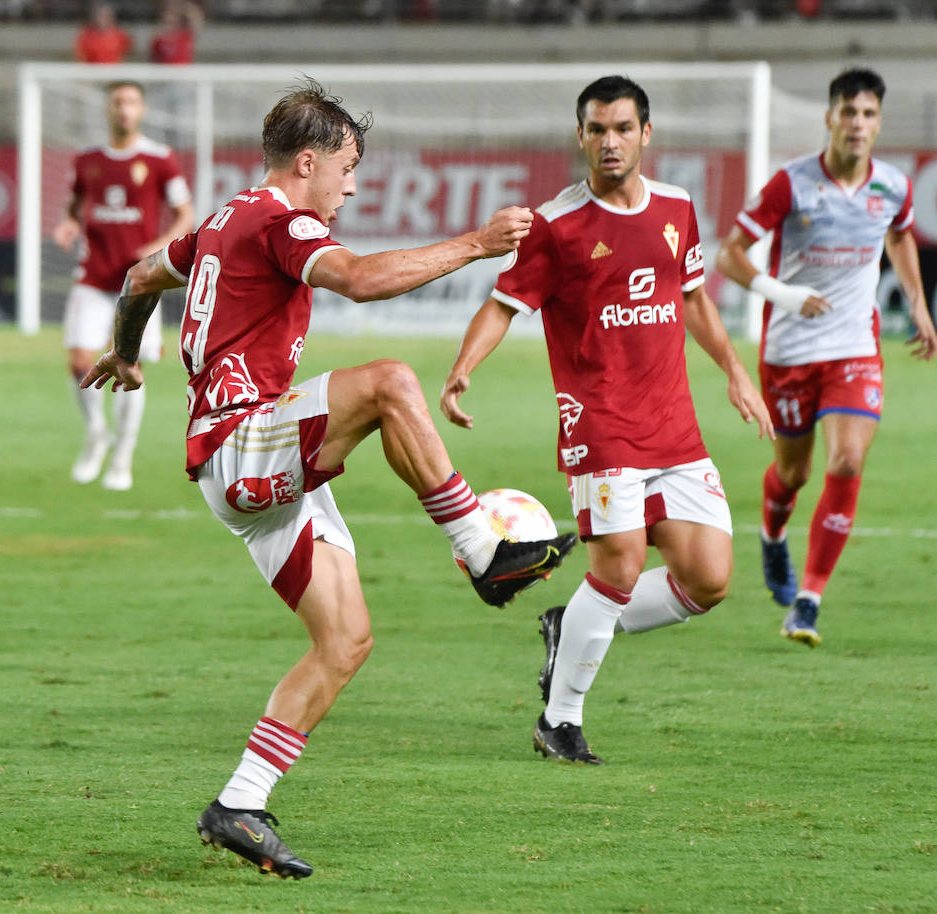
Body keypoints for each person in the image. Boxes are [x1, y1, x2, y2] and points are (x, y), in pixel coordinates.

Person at [82, 79, 577, 878]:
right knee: (389, 382)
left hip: (245, 467)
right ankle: (481, 552)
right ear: (306, 162)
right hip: (244, 442)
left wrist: (128, 352)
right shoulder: (281, 219)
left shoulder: (219, 221)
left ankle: (239, 804)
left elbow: (139, 278)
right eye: (347, 168)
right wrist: (477, 245)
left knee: (345, 642)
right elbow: (360, 279)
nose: (351, 186)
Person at [441, 75, 775, 765]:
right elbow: (504, 304)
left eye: (623, 128)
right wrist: (462, 368)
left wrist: (736, 371)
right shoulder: (556, 225)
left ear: (646, 134)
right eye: (597, 129)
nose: (610, 142)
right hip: (598, 420)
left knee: (708, 579)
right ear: (581, 136)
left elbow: (694, 299)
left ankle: (572, 623)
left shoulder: (678, 208)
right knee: (619, 565)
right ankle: (559, 721)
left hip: (673, 425)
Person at [715, 67, 936, 647]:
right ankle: (771, 532)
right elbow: (729, 255)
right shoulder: (792, 184)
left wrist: (917, 303)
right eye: (848, 112)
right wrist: (783, 294)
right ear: (830, 118)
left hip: (853, 348)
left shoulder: (893, 185)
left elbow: (901, 235)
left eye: (867, 114)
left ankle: (808, 601)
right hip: (789, 350)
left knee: (845, 463)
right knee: (794, 473)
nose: (857, 124)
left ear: (878, 123)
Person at [51, 80, 194, 491]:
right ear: (109, 109)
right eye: (117, 102)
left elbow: (186, 215)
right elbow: (75, 208)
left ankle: (122, 458)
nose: (124, 109)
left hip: (139, 282)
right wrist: (68, 224)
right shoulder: (88, 160)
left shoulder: (160, 159)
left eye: (131, 102)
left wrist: (159, 246)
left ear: (142, 110)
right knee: (79, 360)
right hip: (93, 276)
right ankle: (97, 432)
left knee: (131, 368)